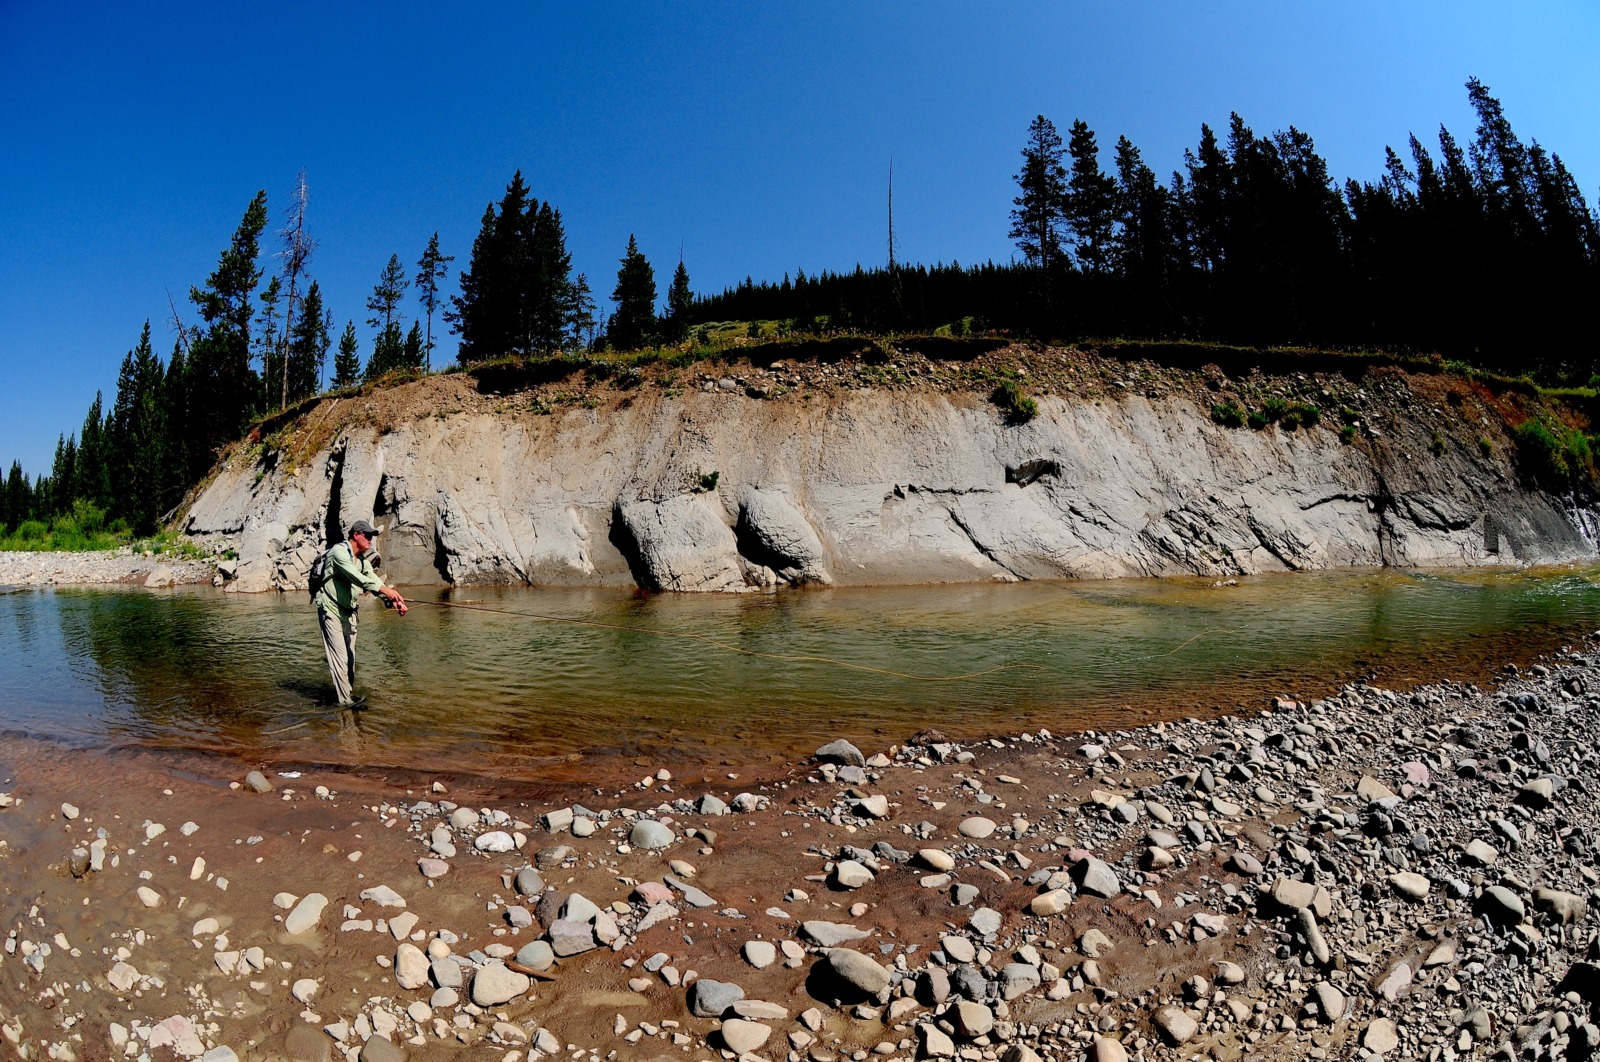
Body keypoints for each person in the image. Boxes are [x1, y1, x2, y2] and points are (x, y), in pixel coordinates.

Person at [315, 518, 407, 705]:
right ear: (356, 535)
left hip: (349, 612)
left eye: (372, 536)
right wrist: (387, 591)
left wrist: (392, 600)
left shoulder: (362, 560)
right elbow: (359, 580)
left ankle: (346, 696)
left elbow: (374, 581)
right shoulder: (339, 553)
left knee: (350, 661)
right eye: (368, 536)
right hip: (330, 610)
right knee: (339, 659)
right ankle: (346, 703)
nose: (371, 540)